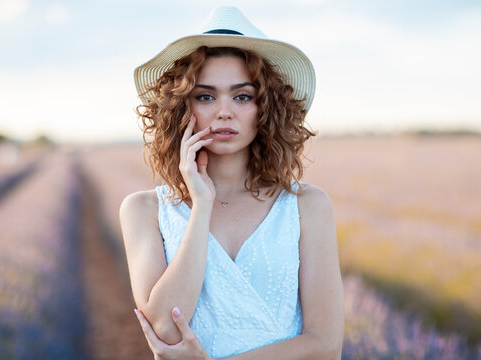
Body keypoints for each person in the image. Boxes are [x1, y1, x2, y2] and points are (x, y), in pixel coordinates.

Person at [120, 6, 344, 359]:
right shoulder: (143, 209)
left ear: (265, 108)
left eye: (242, 96)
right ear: (182, 107)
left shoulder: (308, 206)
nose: (224, 111)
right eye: (206, 96)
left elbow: (326, 346)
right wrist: (201, 204)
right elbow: (164, 327)